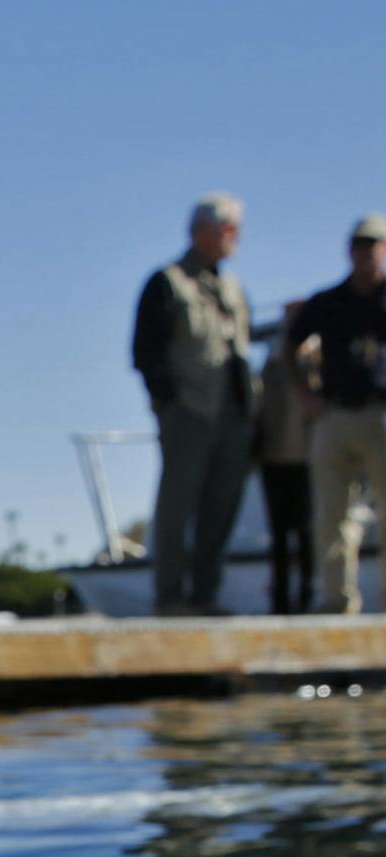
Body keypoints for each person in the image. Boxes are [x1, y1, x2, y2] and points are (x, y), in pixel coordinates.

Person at [131, 194, 253, 614]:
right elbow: (145, 352)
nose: (235, 237)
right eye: (229, 228)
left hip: (231, 417)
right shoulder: (167, 281)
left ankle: (206, 595)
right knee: (177, 506)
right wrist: (168, 402)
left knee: (221, 507)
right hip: (188, 412)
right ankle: (170, 597)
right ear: (203, 230)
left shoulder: (233, 289)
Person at [289, 216, 386, 616]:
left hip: (381, 414)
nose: (366, 252)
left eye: (374, 244)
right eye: (360, 244)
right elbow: (291, 346)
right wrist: (305, 393)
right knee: (331, 516)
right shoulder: (328, 301)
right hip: (335, 415)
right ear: (349, 250)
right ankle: (336, 605)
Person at [255, 302, 318, 615]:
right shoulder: (273, 363)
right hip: (274, 459)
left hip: (308, 459)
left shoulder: (316, 359)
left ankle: (308, 596)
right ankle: (279, 602)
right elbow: (261, 407)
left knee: (307, 531)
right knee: (278, 535)